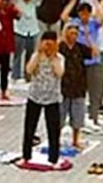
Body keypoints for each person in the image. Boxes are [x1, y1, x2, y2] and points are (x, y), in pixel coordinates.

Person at [19, 31, 65, 166]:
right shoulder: (36, 56)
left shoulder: (60, 58)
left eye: (52, 42)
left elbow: (60, 73)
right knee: (29, 128)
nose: (48, 45)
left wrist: (53, 57)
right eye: (46, 42)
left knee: (53, 130)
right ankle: (26, 155)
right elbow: (29, 70)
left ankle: (53, 158)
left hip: (53, 98)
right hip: (35, 96)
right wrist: (39, 54)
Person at [59, 21, 97, 148]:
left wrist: (87, 37)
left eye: (76, 33)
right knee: (60, 116)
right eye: (71, 33)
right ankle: (56, 139)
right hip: (63, 87)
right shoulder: (60, 47)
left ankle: (75, 140)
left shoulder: (80, 47)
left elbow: (94, 53)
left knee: (78, 117)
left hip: (78, 86)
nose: (74, 36)